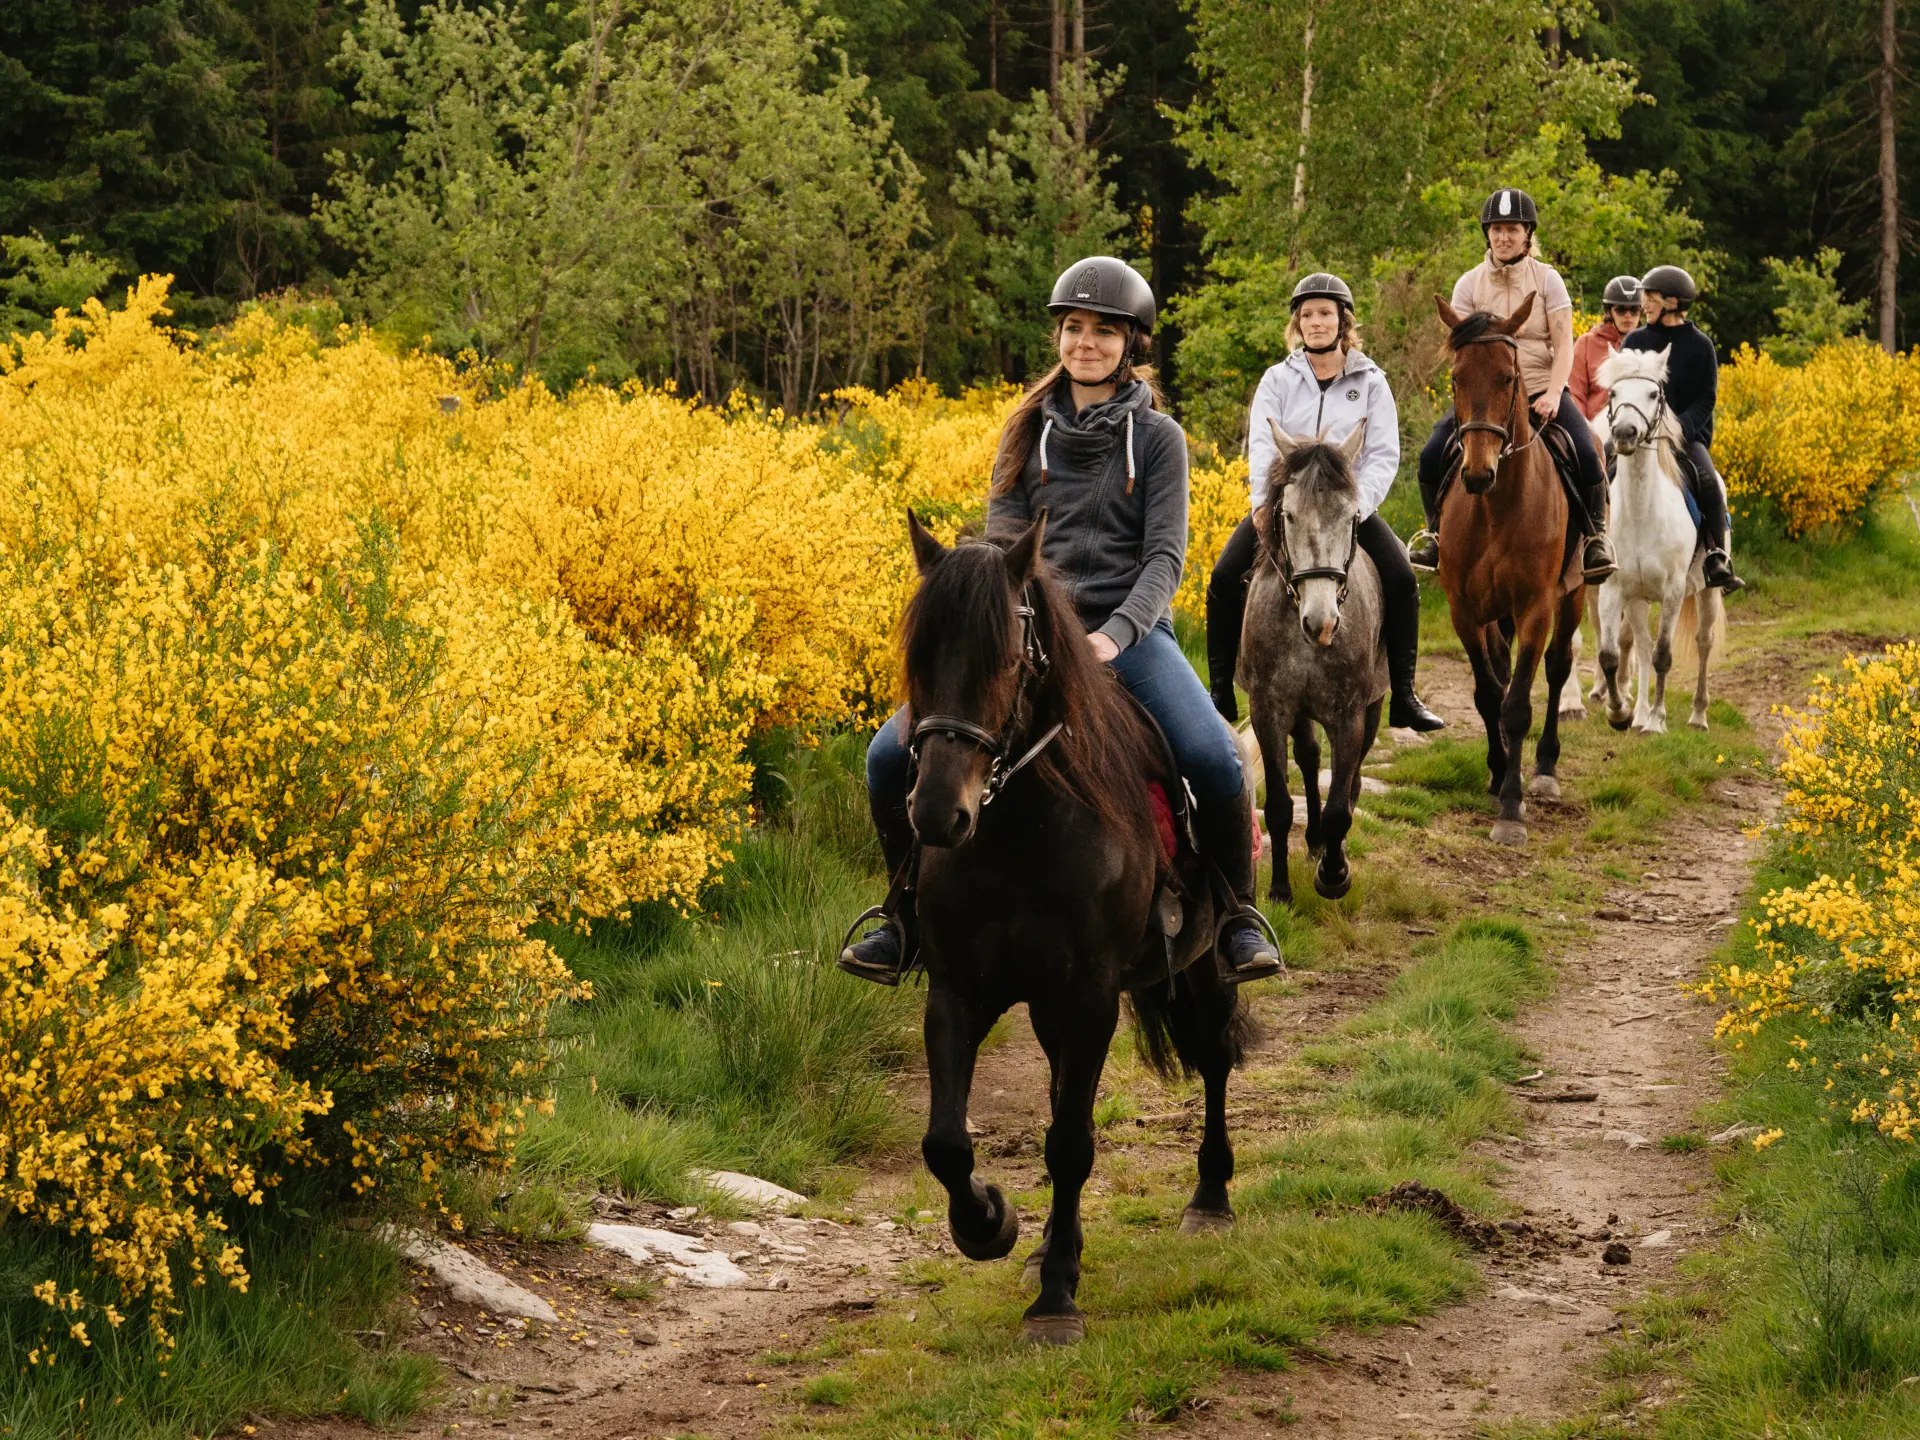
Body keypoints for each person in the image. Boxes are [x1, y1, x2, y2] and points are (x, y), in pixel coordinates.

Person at [839, 256, 1283, 987]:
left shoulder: (1159, 438)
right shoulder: (1025, 430)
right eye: (1074, 327)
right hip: (1030, 632)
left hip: (1126, 633)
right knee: (887, 757)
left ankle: (1237, 917)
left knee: (1215, 758)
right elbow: (1003, 543)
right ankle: (904, 917)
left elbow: (1165, 559)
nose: (1086, 343)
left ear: (1130, 343)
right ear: (1059, 336)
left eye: (1104, 332)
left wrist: (1116, 634)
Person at [1204, 272, 1444, 733]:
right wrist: (1262, 503)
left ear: (1342, 321)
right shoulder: (1277, 379)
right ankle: (1219, 691)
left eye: (1325, 314)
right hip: (1288, 507)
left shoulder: (1371, 381)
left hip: (1346, 508)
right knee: (1222, 577)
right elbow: (1262, 446)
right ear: (1298, 322)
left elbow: (1383, 454)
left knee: (1401, 577)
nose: (1316, 322)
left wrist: (1357, 507)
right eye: (1307, 314)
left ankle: (1404, 695)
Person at [1408, 188, 1616, 582]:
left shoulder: (1548, 280)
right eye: (1497, 230)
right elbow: (1462, 352)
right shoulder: (1469, 284)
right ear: (1487, 234)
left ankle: (1595, 538)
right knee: (1432, 452)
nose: (1504, 237)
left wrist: (1553, 394)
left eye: (1512, 230)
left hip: (1539, 388)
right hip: (1486, 395)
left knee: (1588, 451)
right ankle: (1434, 534)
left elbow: (1563, 346)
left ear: (1527, 234)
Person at [1623, 265, 1745, 593]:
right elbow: (1623, 386)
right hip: (1638, 435)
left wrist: (1677, 428)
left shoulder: (1701, 345)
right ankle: (1598, 543)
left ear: (1672, 302)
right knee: (1605, 469)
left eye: (1650, 298)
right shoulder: (1634, 341)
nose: (1643, 305)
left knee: (1709, 483)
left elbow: (1706, 399)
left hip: (1684, 438)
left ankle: (1717, 557)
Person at [1569, 275, 1643, 421]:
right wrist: (1585, 426)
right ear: (1609, 311)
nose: (1628, 316)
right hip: (1595, 425)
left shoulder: (1650, 344)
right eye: (1621, 310)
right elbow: (1575, 393)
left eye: (1634, 310)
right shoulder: (1586, 343)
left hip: (1639, 425)